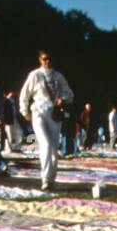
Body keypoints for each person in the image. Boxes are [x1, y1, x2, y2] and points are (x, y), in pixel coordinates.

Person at [19, 49, 74, 191]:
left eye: (49, 58)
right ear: (39, 59)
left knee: (54, 147)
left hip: (54, 114)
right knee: (46, 144)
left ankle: (51, 179)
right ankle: (45, 178)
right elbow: (24, 94)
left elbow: (70, 94)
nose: (47, 61)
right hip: (38, 112)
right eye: (44, 59)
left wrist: (63, 99)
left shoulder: (58, 76)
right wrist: (24, 112)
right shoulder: (35, 75)